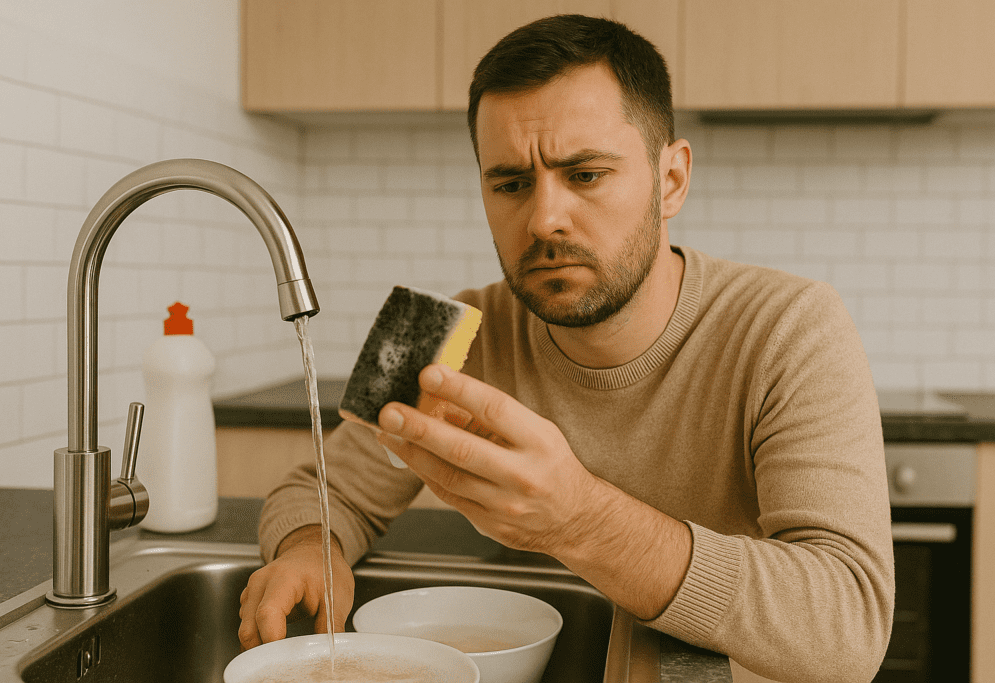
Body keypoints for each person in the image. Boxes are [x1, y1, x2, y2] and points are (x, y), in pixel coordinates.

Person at [238, 14, 894, 683]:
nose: (544, 218)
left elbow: (848, 630)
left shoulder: (797, 325)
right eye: (511, 183)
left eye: (584, 175)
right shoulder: (431, 327)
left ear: (671, 180)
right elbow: (320, 490)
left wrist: (580, 517)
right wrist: (304, 551)